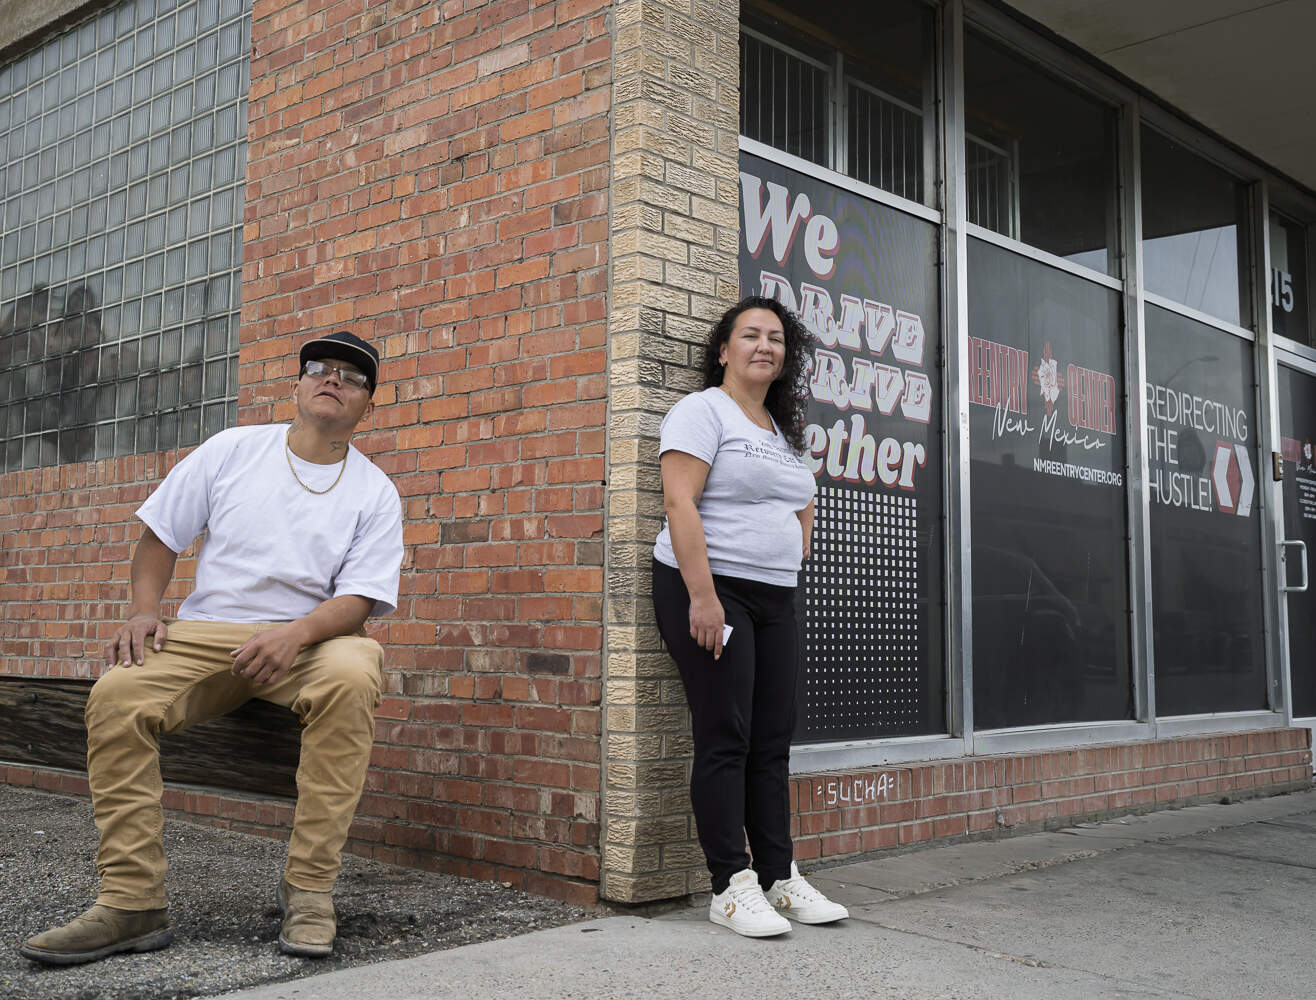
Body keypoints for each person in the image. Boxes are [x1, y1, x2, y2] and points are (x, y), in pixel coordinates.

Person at [20, 331, 403, 965]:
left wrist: (295, 633)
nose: (332, 379)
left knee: (357, 666)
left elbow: (359, 600)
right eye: (319, 369)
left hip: (308, 642)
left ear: (369, 404)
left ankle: (309, 892)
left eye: (352, 376)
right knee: (117, 692)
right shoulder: (234, 449)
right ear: (299, 385)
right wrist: (145, 612)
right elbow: (159, 537)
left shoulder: (374, 491)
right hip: (208, 637)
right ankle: (131, 901)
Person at [651, 295, 849, 937]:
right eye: (751, 335)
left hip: (773, 597)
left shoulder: (778, 431)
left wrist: (795, 548)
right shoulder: (700, 410)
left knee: (771, 742)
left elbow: (801, 501)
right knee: (725, 735)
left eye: (776, 339)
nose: (765, 346)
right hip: (713, 589)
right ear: (724, 349)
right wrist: (702, 598)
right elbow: (681, 504)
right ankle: (730, 886)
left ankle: (779, 876)